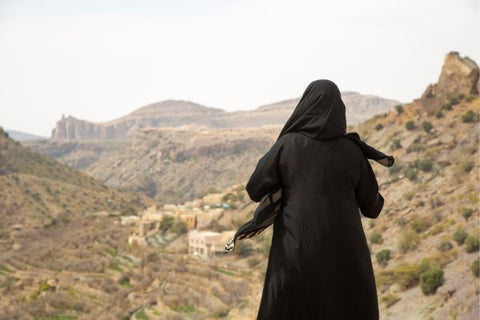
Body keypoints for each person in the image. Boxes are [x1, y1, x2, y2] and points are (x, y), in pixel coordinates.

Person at [245, 79, 389, 320]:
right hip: (346, 256)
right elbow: (372, 207)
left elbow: (254, 189)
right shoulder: (353, 151)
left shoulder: (288, 145)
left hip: (296, 251)